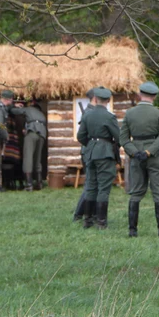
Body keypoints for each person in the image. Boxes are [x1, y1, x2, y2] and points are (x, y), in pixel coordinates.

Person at [120, 82, 159, 238]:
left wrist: (135, 153)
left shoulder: (129, 113)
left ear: (139, 95)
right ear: (154, 97)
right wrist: (149, 152)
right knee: (158, 194)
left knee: (136, 193)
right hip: (155, 156)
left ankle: (132, 231)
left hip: (136, 156)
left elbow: (123, 138)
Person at [77, 86, 120, 229]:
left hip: (90, 153)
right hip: (105, 153)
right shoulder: (109, 117)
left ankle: (87, 221)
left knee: (90, 186)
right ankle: (101, 222)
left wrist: (90, 145)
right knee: (103, 188)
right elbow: (118, 137)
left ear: (95, 99)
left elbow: (80, 136)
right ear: (108, 100)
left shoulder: (87, 115)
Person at [11, 99, 47, 191]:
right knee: (38, 159)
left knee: (28, 158)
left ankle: (29, 184)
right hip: (42, 134)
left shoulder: (29, 109)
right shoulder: (41, 114)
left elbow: (14, 111)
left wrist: (14, 106)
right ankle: (39, 183)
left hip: (32, 132)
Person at [73, 88, 96, 221]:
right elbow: (83, 135)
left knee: (92, 183)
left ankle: (89, 213)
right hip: (88, 151)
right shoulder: (89, 112)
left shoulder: (90, 111)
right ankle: (79, 214)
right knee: (90, 183)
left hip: (90, 151)